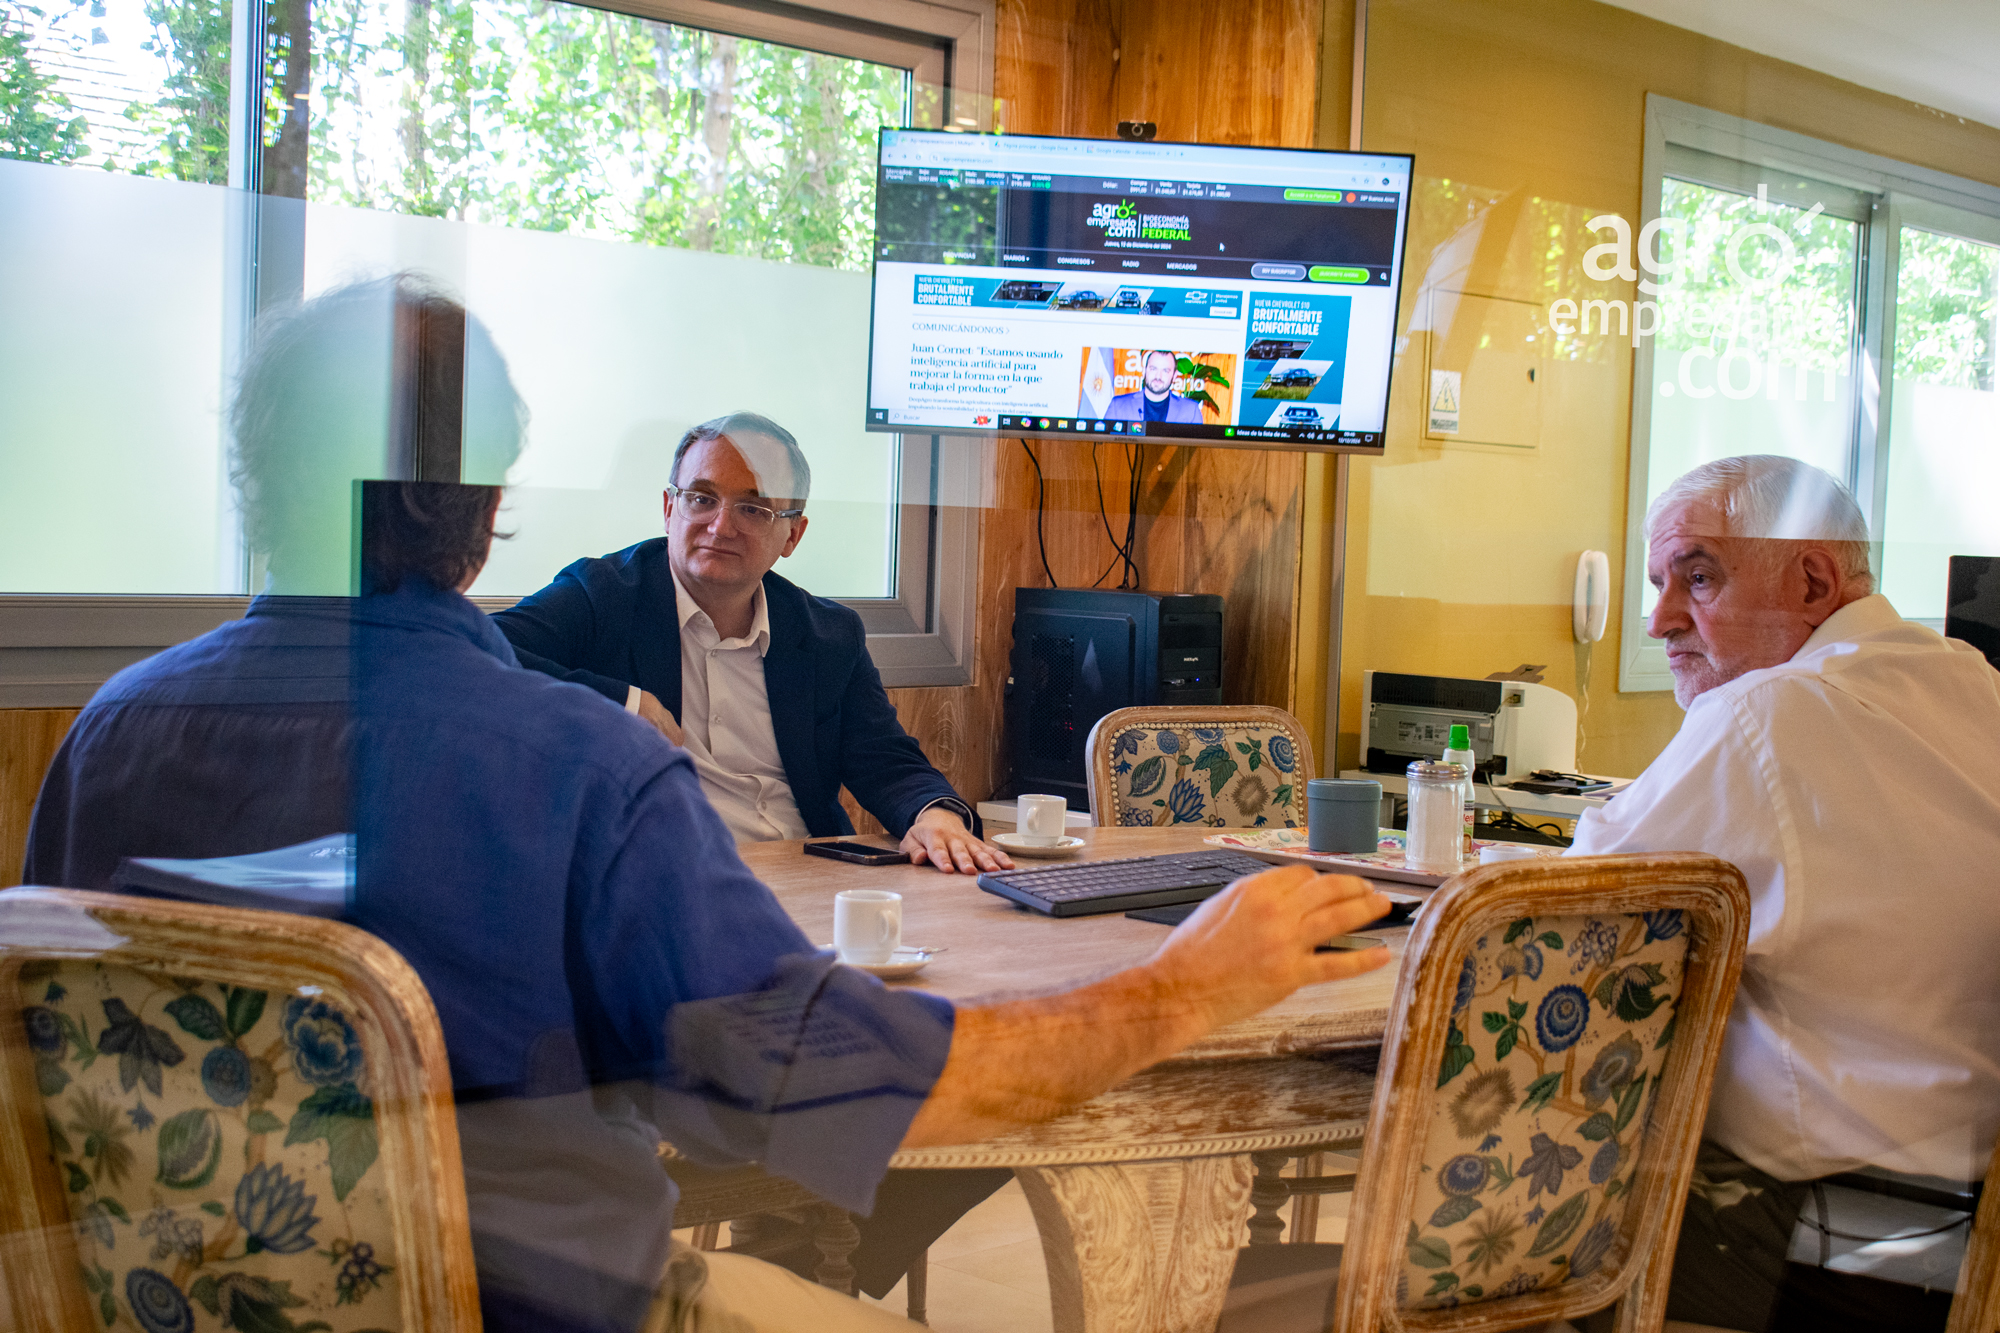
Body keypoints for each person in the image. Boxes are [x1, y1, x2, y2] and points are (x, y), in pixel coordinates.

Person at [21, 276, 1396, 1333]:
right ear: (489, 492)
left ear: (257, 472)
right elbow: (857, 1089)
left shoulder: (107, 738)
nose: (715, 522)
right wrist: (1183, 983)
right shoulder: (577, 769)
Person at [1568, 455, 2000, 1333]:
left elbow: (1558, 904)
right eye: (1660, 585)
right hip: (1965, 1236)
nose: (1659, 620)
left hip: (1834, 1249)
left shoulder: (1771, 711)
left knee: (1511, 1231)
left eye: (1698, 576)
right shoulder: (1971, 681)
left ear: (1811, 581)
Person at [492, 413, 1006, 876]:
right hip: (662, 878)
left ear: (792, 536)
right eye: (701, 498)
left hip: (810, 874)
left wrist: (934, 814)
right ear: (669, 508)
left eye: (754, 508)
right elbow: (482, 648)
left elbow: (886, 760)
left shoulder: (828, 635)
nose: (721, 525)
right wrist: (628, 703)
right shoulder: (601, 594)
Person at [1105, 349, 1204, 424]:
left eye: (1165, 371)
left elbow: (1198, 450)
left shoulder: (1191, 411)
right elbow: (1105, 447)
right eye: (1153, 369)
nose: (1158, 376)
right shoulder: (1118, 406)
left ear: (1174, 376)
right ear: (1144, 371)